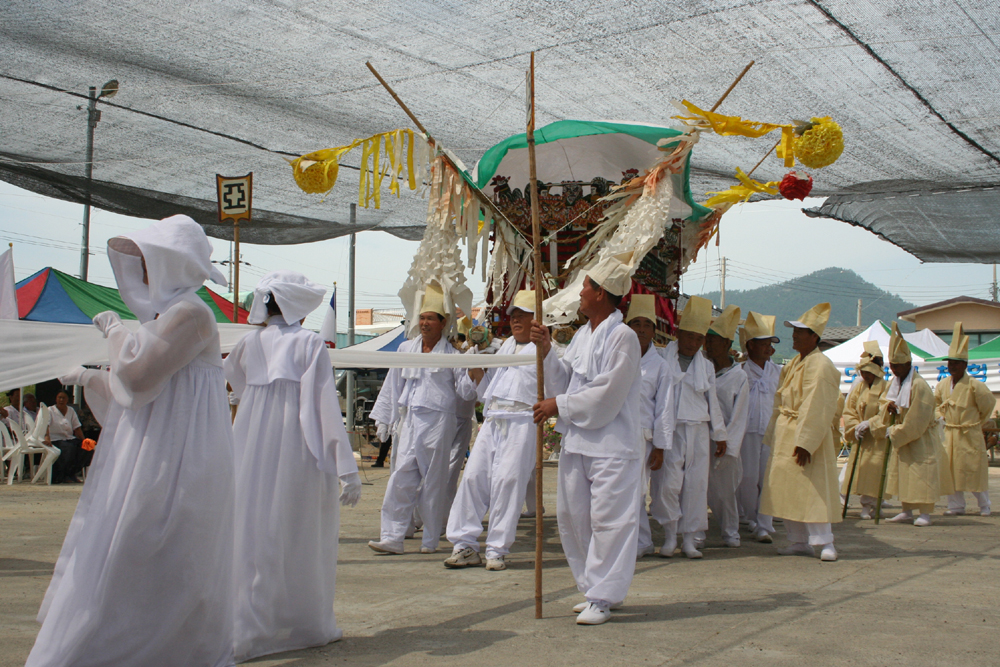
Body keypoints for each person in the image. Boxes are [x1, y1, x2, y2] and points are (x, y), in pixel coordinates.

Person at [27, 214, 235, 667]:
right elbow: (140, 389)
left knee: (160, 547)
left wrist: (113, 331)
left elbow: (138, 377)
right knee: (140, 548)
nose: (140, 270)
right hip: (158, 450)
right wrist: (93, 375)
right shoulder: (170, 316)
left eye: (147, 260)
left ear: (169, 263)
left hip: (177, 457)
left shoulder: (191, 312)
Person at [225, 271, 361, 662]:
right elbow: (322, 406)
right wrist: (345, 466)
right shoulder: (309, 343)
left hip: (250, 441)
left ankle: (248, 623)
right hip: (296, 444)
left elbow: (232, 380)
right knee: (297, 527)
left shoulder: (249, 342)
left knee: (252, 525)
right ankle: (305, 622)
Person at [532, 252, 644, 625]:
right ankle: (591, 587)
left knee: (610, 521)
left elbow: (606, 394)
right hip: (578, 442)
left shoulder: (624, 338)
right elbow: (567, 378)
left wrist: (557, 405)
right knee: (572, 516)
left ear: (601, 293)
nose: (579, 293)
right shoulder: (583, 334)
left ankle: (604, 595)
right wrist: (547, 350)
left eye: (585, 286)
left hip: (613, 445)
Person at [368, 282, 478, 555]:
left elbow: (465, 391)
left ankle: (430, 539)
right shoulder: (406, 349)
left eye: (430, 318)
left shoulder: (453, 355)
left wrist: (474, 364)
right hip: (410, 419)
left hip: (439, 422)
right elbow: (393, 385)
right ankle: (392, 536)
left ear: (443, 323)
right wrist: (385, 418)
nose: (425, 323)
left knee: (434, 481)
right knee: (400, 478)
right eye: (422, 318)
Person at [444, 290, 541, 571]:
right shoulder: (507, 347)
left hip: (523, 421)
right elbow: (490, 392)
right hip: (493, 419)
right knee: (473, 478)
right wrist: (478, 375)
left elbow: (555, 385)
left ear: (537, 319)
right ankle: (464, 544)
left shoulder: (544, 350)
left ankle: (497, 549)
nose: (516, 321)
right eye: (514, 316)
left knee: (508, 482)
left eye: (523, 315)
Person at [759, 303, 841, 562]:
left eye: (800, 332)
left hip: (807, 432)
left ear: (814, 337)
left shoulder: (821, 365)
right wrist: (774, 432)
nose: (794, 336)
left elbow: (819, 405)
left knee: (812, 487)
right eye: (794, 331)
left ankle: (825, 541)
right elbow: (779, 401)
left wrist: (806, 442)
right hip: (787, 429)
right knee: (786, 489)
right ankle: (798, 540)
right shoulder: (794, 363)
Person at [660, 296, 728, 559]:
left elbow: (713, 401)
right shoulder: (663, 360)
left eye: (699, 339)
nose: (693, 343)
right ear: (679, 334)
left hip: (699, 428)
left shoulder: (707, 367)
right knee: (669, 484)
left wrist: (719, 434)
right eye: (689, 337)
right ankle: (669, 535)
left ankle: (690, 538)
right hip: (671, 428)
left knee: (696, 484)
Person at [869, 322, 951, 526]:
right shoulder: (894, 383)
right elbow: (884, 403)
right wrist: (887, 410)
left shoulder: (919, 385)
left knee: (923, 473)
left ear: (908, 364)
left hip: (920, 438)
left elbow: (918, 419)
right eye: (892, 366)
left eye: (898, 366)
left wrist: (896, 431)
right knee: (904, 474)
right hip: (902, 435)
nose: (895, 370)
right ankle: (906, 509)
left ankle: (925, 512)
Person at [623, 294, 671, 559]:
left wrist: (660, 447)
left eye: (646, 324)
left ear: (654, 330)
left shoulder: (660, 366)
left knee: (638, 491)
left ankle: (641, 541)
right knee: (620, 489)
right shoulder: (618, 357)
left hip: (643, 436)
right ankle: (628, 540)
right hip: (617, 432)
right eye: (636, 323)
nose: (641, 329)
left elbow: (664, 408)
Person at [934, 323, 995, 517]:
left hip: (969, 432)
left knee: (973, 470)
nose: (952, 366)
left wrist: (975, 421)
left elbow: (988, 405)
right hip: (950, 432)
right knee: (951, 470)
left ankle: (984, 504)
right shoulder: (943, 384)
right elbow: (935, 405)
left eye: (956, 363)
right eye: (950, 363)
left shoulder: (975, 385)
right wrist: (940, 417)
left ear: (965, 365)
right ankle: (955, 505)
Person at [701, 305, 749, 548]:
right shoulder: (702, 367)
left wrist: (729, 444)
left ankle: (731, 532)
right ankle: (700, 530)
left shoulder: (738, 376)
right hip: (701, 437)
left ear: (728, 343)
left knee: (725, 492)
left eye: (715, 340)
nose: (709, 345)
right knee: (701, 487)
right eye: (707, 339)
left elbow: (739, 415)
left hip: (726, 441)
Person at [736, 312, 781, 543]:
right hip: (747, 431)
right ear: (751, 346)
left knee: (768, 478)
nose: (768, 349)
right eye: (763, 344)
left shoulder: (779, 373)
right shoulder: (740, 372)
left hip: (771, 432)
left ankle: (765, 523)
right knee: (749, 477)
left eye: (770, 345)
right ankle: (751, 517)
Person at [840, 341, 892, 519]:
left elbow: (887, 410)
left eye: (868, 372)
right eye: (862, 372)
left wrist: (872, 422)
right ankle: (864, 505)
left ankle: (874, 504)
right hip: (862, 437)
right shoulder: (859, 387)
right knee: (861, 470)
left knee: (876, 471)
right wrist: (855, 426)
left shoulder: (886, 387)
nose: (864, 375)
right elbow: (849, 410)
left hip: (877, 437)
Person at [47, 391, 85, 484]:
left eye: (64, 398)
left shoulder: (71, 410)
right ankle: (62, 476)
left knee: (87, 449)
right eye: (59, 397)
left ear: (68, 400)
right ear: (56, 398)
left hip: (69, 438)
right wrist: (47, 437)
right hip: (55, 439)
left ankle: (72, 473)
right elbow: (46, 426)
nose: (61, 400)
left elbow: (77, 427)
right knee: (69, 449)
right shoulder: (50, 410)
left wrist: (84, 440)